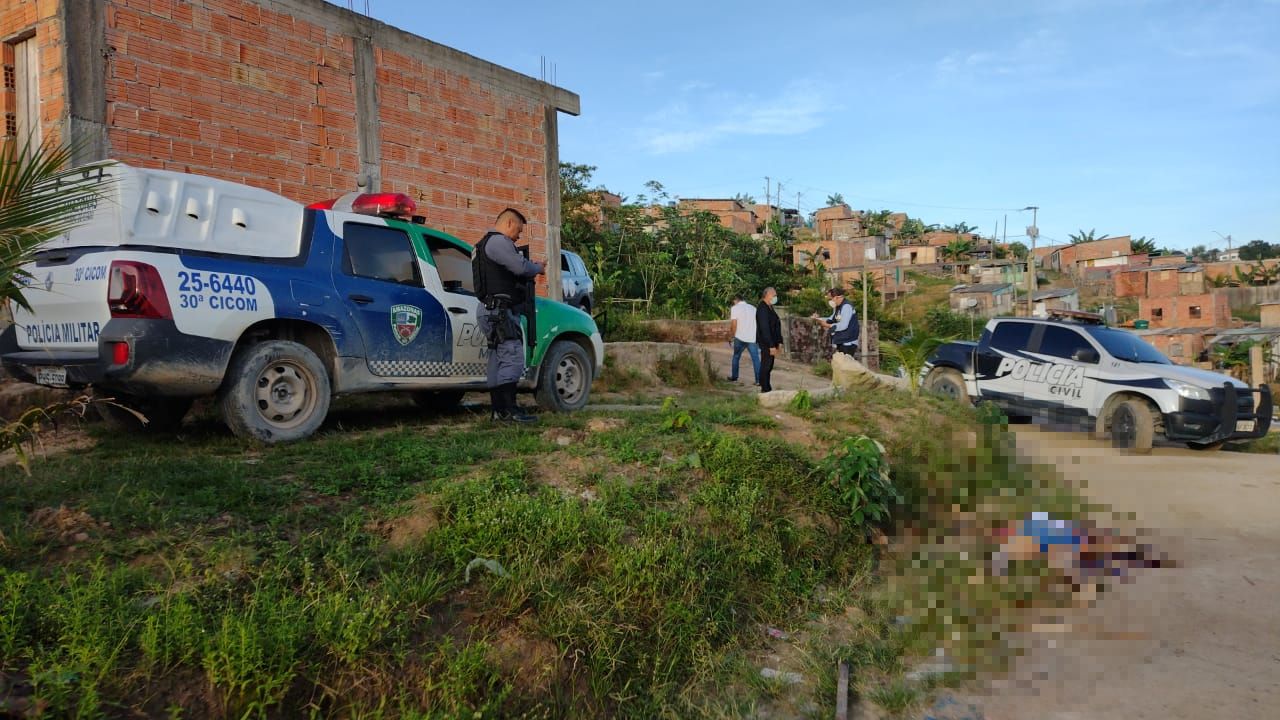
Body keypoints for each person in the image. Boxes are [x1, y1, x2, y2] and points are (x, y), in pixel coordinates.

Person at [473, 208, 545, 423]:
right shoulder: (498, 242)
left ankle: (498, 411)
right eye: (519, 231)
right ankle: (509, 411)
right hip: (500, 311)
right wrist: (537, 268)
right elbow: (520, 267)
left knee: (497, 359)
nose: (518, 237)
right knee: (512, 357)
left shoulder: (481, 245)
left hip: (489, 309)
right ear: (510, 223)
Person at [812, 287, 859, 357]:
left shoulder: (847, 307)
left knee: (845, 366)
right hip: (841, 341)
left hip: (848, 343)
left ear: (837, 297)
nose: (830, 301)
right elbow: (831, 319)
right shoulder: (839, 307)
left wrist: (828, 325)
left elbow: (843, 325)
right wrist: (818, 318)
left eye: (831, 298)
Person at [728, 294, 760, 385]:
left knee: (736, 356)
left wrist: (731, 336)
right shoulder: (753, 308)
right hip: (752, 338)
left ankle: (734, 377)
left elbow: (734, 324)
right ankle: (758, 381)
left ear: (735, 300)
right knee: (756, 359)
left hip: (740, 337)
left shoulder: (735, 308)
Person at [755, 287, 782, 393]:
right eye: (774, 295)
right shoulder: (762, 308)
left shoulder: (770, 307)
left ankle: (766, 386)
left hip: (772, 341)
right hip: (766, 342)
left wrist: (779, 342)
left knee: (769, 365)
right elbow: (764, 328)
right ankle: (765, 388)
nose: (775, 297)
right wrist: (771, 345)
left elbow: (775, 325)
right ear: (767, 295)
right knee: (766, 365)